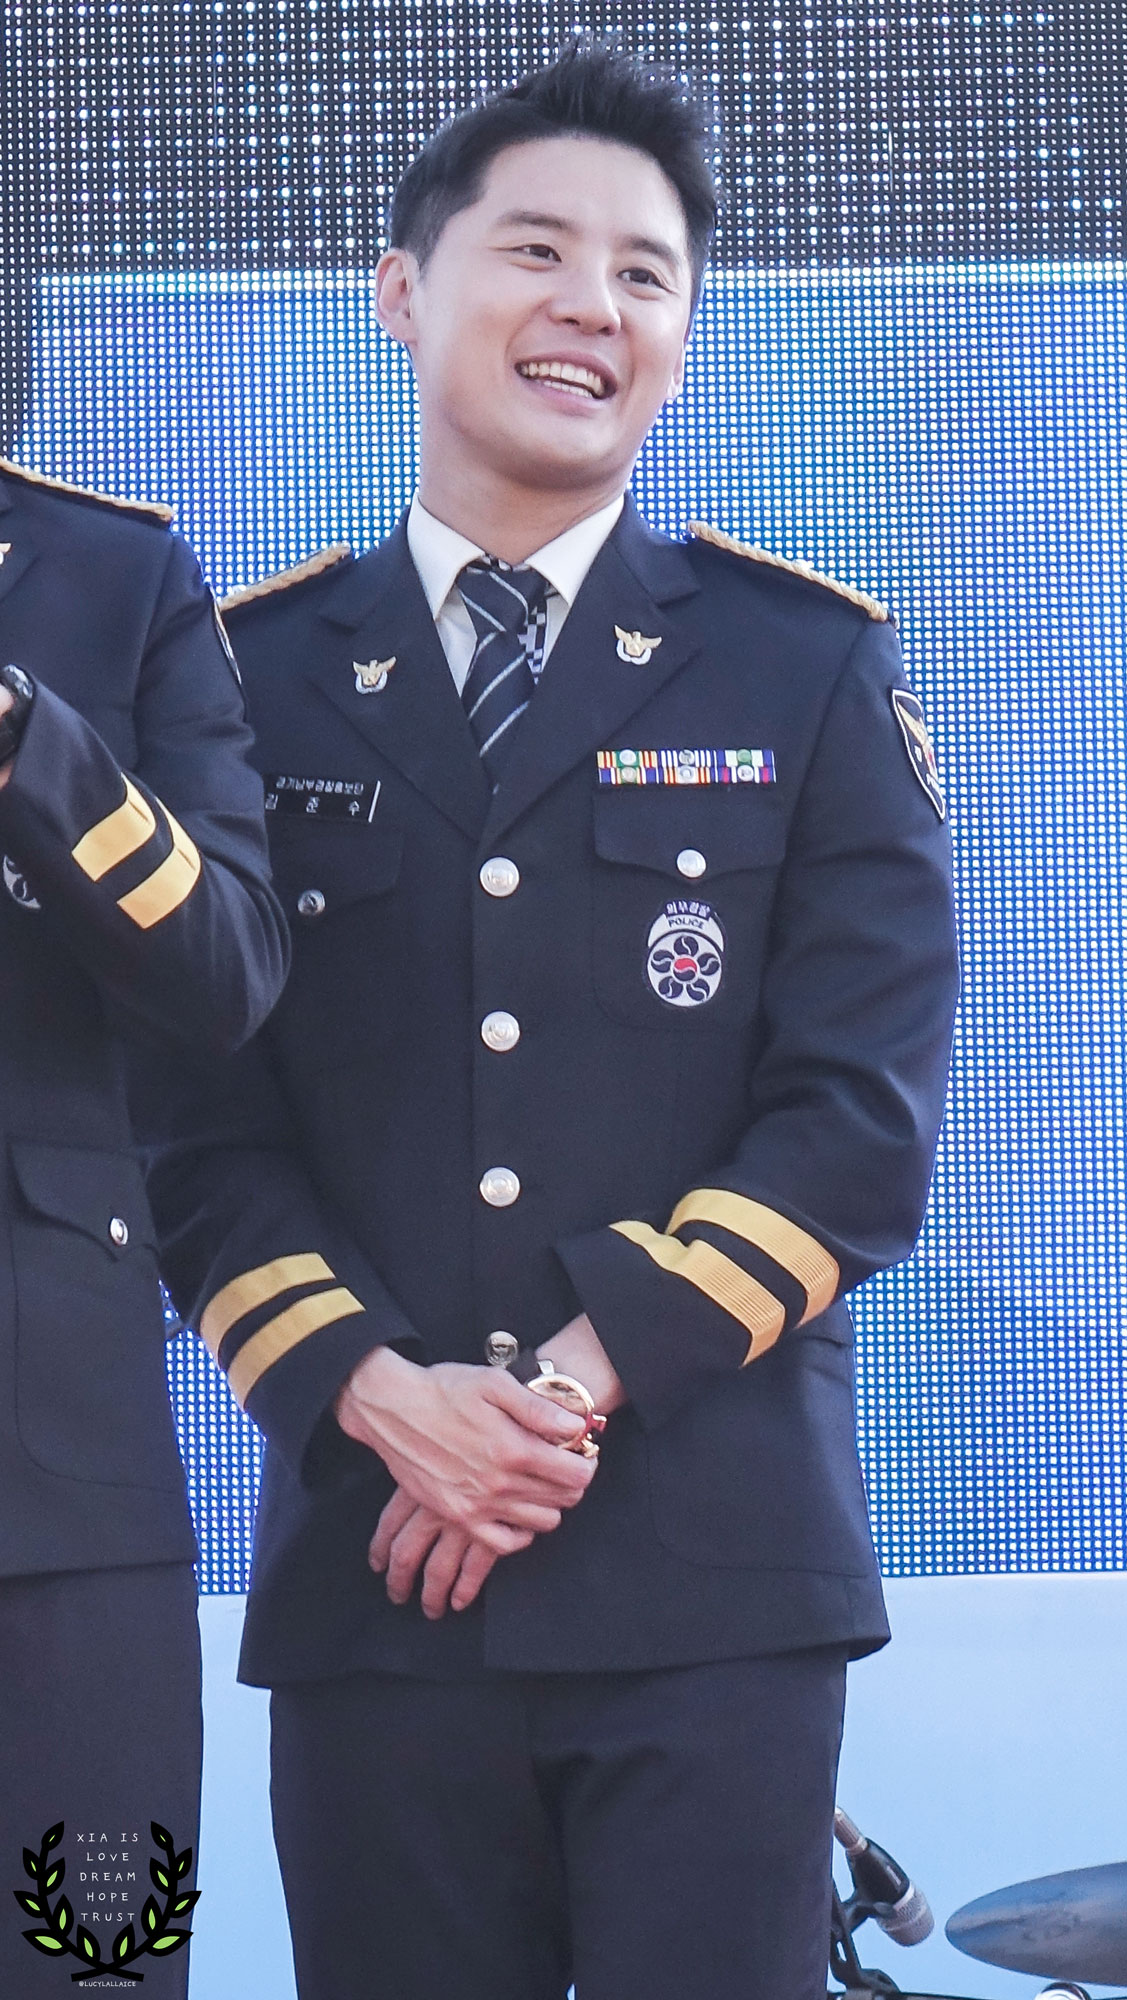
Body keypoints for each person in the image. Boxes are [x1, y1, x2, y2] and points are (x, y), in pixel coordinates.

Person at [136, 41, 959, 2000]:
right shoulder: (242, 676)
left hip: (711, 1581)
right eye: (536, 251)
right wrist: (386, 1400)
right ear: (401, 290)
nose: (592, 303)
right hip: (378, 1569)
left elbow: (859, 1123)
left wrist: (563, 1394)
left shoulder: (808, 664)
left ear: (681, 339)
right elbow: (190, 1124)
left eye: (645, 272)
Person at [0, 456, 288, 1998]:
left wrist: (26, 741)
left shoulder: (114, 580)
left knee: (95, 1967)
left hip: (55, 1484)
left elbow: (230, 974)